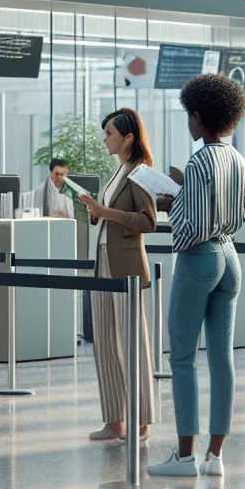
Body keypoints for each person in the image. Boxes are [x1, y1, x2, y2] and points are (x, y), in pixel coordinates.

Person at [150, 73, 245, 479]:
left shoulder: (199, 160)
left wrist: (169, 202)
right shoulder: (236, 158)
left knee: (184, 358)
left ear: (198, 116)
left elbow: (188, 227)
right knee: (222, 357)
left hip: (200, 258)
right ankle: (216, 457)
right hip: (230, 255)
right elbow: (238, 216)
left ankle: (185, 457)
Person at [76, 109, 158, 442]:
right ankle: (114, 420)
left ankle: (141, 422)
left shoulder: (141, 173)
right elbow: (110, 218)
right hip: (103, 260)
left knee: (132, 344)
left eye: (109, 133)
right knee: (106, 344)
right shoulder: (117, 172)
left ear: (127, 137)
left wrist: (104, 211)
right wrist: (92, 211)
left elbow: (147, 222)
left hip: (125, 266)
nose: (105, 138)